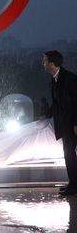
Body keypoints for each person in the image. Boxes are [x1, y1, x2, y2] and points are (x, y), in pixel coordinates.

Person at [42, 50, 77, 196]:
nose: (42, 64)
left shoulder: (69, 79)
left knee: (70, 154)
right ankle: (74, 184)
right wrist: (47, 114)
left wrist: (76, 123)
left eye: (44, 61)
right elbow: (57, 103)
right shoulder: (55, 79)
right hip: (65, 124)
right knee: (69, 154)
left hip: (72, 124)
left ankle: (74, 186)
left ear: (52, 63)